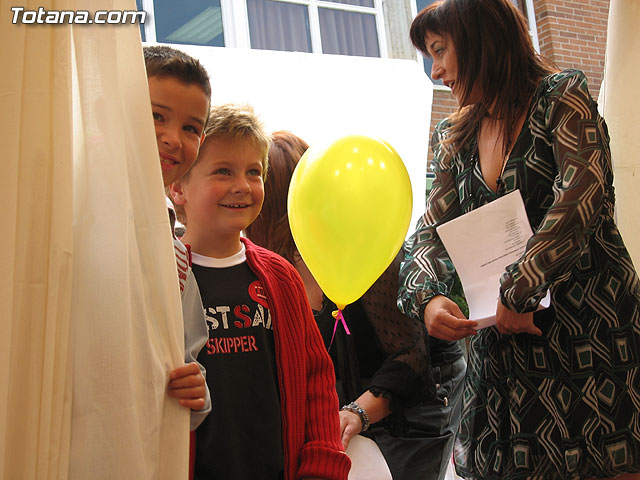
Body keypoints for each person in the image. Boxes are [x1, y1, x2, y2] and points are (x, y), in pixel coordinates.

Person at [398, 1, 640, 479]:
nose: (436, 70)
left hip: (587, 341)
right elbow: (429, 235)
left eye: (441, 50)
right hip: (506, 368)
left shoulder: (560, 95)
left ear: (480, 37)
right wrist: (427, 300)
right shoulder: (453, 137)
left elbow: (582, 195)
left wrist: (519, 287)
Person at [245, 131, 466, 480]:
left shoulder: (358, 239)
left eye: (254, 177)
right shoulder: (262, 262)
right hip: (347, 404)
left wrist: (355, 414)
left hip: (413, 398)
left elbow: (411, 357)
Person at [168, 104, 351, 480]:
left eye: (254, 171)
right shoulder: (163, 275)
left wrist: (322, 464)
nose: (242, 185)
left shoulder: (280, 278)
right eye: (223, 171)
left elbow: (316, 379)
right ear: (178, 187)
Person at [143, 45, 211, 441]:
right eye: (156, 116)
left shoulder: (177, 252)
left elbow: (188, 356)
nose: (173, 139)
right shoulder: (72, 203)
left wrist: (197, 393)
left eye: (191, 127)